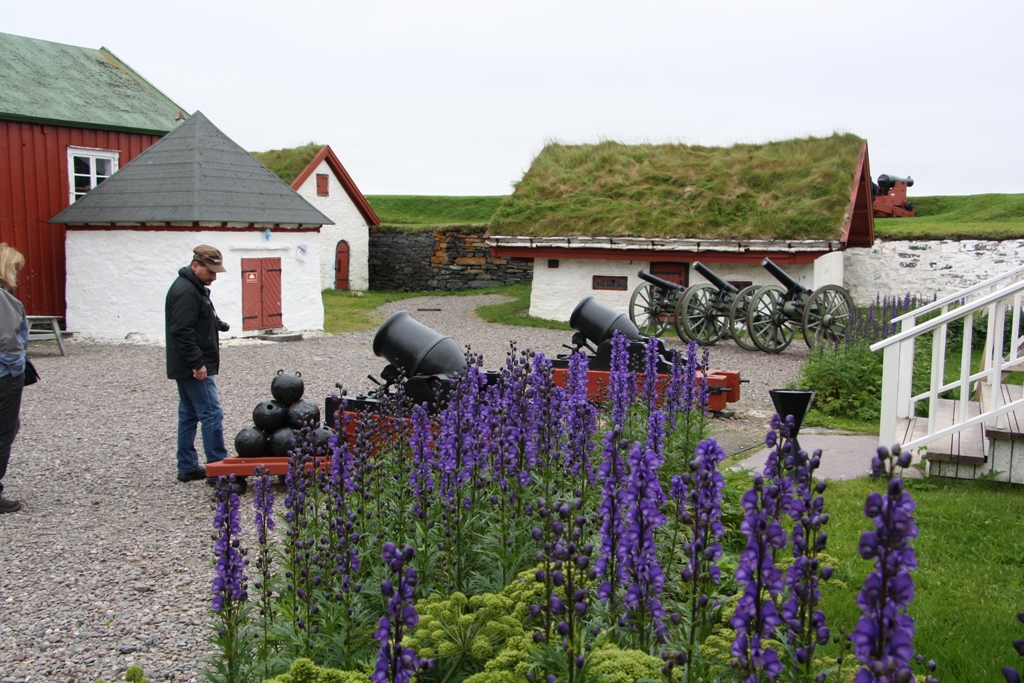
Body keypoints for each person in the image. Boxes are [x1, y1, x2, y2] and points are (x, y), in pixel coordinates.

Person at [166, 245, 230, 484]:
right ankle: (217, 468)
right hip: (193, 366)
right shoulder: (186, 291)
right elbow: (182, 330)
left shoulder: (193, 288)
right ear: (196, 266)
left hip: (184, 364)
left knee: (189, 414)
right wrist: (197, 363)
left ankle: (187, 466)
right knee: (212, 413)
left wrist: (217, 325)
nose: (213, 277)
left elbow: (195, 321)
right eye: (210, 272)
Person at [0, 244, 28, 513]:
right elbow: (9, 341)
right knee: (5, 429)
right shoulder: (4, 300)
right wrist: (17, 368)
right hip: (4, 375)